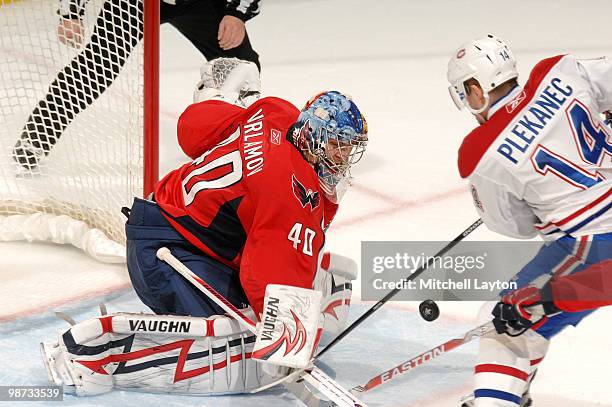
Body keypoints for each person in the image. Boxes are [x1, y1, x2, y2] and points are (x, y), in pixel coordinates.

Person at [39, 61, 367, 396]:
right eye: (338, 144)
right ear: (312, 135)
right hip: (166, 255)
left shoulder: (276, 112)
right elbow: (268, 269)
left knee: (260, 311)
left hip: (168, 224)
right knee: (238, 334)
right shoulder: (289, 191)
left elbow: (195, 128)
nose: (344, 155)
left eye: (350, 147)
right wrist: (288, 342)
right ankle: (92, 356)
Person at [447, 34, 612, 406]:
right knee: (523, 320)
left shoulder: (479, 152)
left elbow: (514, 227)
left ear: (476, 89)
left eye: (464, 93)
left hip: (595, 240)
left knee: (504, 318)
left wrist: (543, 208)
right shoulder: (557, 71)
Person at [13, 0, 261, 170]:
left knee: (243, 66)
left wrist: (237, 13)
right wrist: (71, 11)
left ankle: (241, 149)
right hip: (134, 5)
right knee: (94, 70)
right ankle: (36, 139)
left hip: (202, 4)